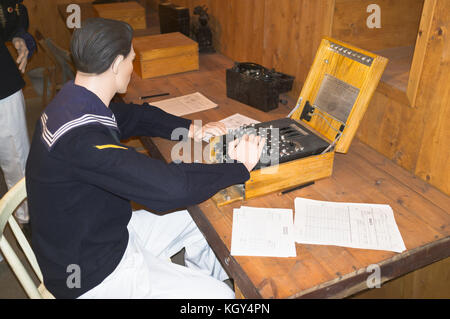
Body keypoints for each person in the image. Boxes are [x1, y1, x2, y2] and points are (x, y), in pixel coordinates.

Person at [26, 18, 265, 299]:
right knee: (221, 298)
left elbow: (137, 116)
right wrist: (237, 167)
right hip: (92, 275)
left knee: (202, 218)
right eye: (131, 59)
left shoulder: (73, 100)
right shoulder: (81, 140)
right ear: (116, 64)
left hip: (99, 233)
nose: (132, 67)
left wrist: (191, 129)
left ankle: (194, 283)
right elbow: (168, 188)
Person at [0, 0, 35, 229]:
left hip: (3, 85)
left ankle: (29, 219)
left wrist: (19, 36)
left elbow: (13, 15)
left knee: (16, 159)